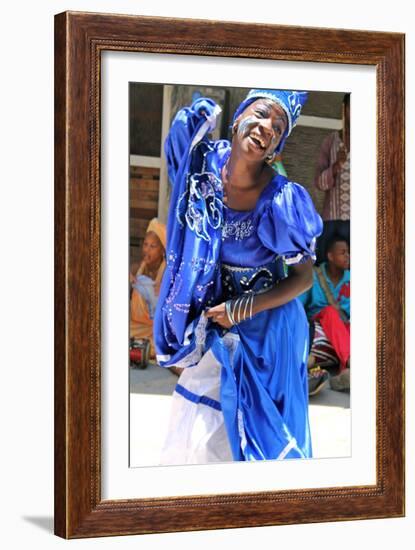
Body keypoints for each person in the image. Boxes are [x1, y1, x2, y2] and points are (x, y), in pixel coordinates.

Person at [154, 89, 323, 465]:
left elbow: (304, 278)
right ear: (238, 118)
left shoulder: (281, 199)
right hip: (221, 320)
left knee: (261, 444)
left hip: (270, 333)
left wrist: (241, 308)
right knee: (203, 427)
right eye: (261, 115)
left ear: (276, 148)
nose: (266, 128)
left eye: (278, 128)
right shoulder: (204, 167)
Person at [299, 235, 350, 391]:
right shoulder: (314, 276)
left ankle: (344, 375)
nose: (348, 256)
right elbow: (298, 306)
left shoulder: (352, 278)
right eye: (343, 253)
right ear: (330, 256)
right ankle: (349, 362)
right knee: (329, 312)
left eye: (348, 252)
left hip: (342, 329)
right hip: (318, 326)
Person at [313, 94, 350, 264]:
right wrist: (336, 166)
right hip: (331, 219)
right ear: (344, 110)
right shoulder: (331, 142)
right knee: (322, 264)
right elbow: (319, 183)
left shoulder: (374, 141)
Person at [130, 218, 166, 358]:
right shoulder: (135, 269)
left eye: (152, 246)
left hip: (156, 328)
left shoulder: (167, 274)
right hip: (137, 327)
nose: (147, 250)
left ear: (162, 250)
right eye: (145, 245)